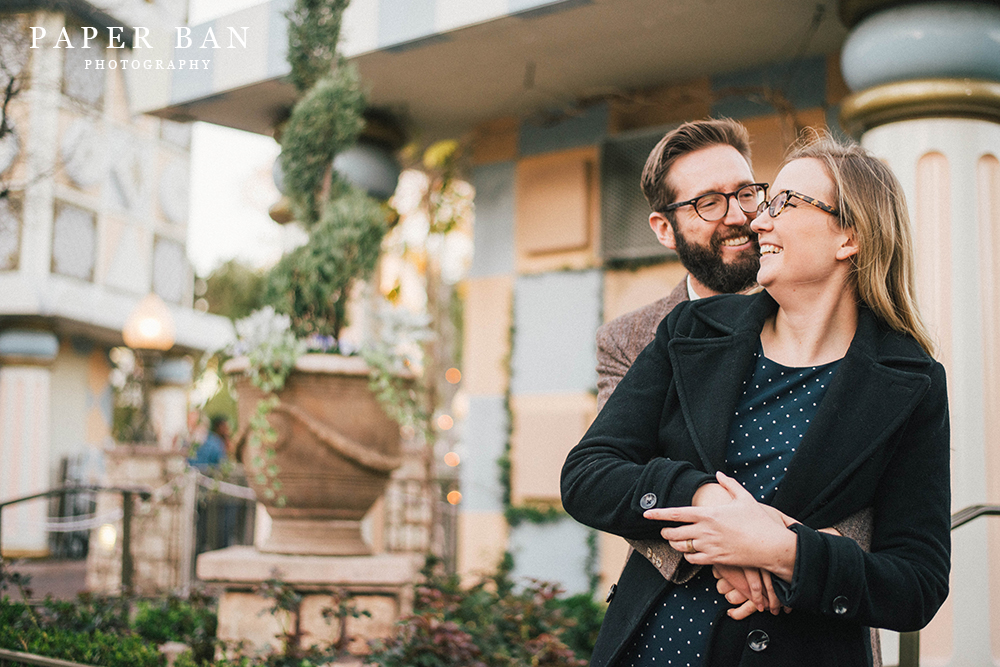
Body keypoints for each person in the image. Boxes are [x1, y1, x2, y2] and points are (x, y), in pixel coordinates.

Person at [562, 135, 951, 667]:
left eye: (781, 202)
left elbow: (917, 582)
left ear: (850, 237)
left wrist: (783, 551)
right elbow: (589, 473)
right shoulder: (689, 332)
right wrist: (709, 504)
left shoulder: (912, 382)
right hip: (651, 645)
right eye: (769, 205)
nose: (756, 221)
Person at [596, 118, 762, 411]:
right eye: (709, 203)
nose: (738, 216)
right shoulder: (625, 342)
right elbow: (616, 455)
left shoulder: (814, 308)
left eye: (746, 194)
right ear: (665, 229)